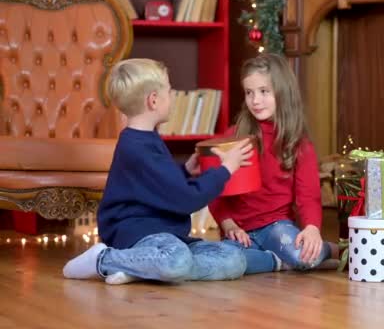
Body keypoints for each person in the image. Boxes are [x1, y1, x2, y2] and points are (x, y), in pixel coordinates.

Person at [63, 58, 252, 285]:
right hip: (137, 234)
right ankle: (104, 260)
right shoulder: (136, 147)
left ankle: (139, 268)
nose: (172, 97)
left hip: (167, 237)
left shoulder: (147, 139)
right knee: (177, 260)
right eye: (170, 91)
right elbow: (186, 199)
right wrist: (226, 169)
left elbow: (158, 187)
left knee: (234, 258)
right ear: (153, 100)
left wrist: (184, 171)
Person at [209, 53, 338, 274]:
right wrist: (228, 224)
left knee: (303, 256)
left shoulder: (298, 143)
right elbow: (215, 189)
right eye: (249, 93)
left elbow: (308, 195)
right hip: (239, 231)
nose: (255, 100)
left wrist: (312, 228)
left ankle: (331, 250)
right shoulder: (233, 136)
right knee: (225, 260)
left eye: (264, 92)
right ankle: (277, 261)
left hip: (276, 227)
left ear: (282, 92)